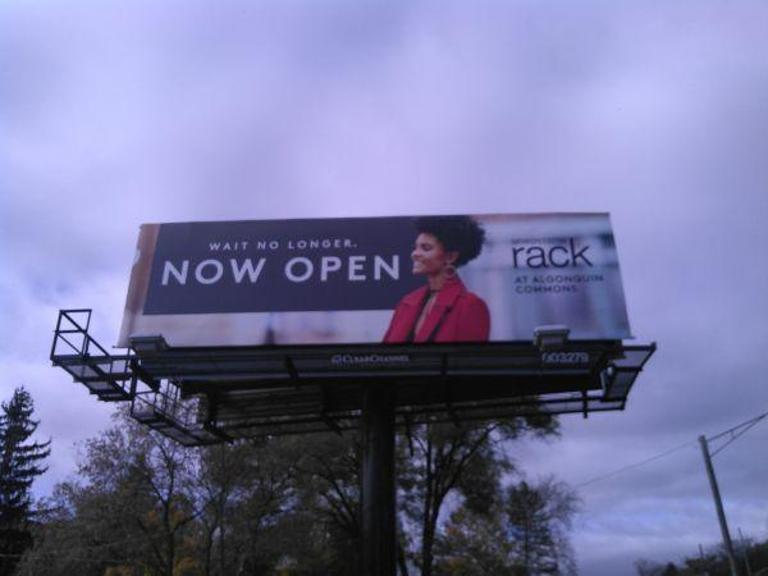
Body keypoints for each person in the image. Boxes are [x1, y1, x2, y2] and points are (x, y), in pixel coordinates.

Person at [384, 216, 490, 343]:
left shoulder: (470, 306)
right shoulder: (407, 303)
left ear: (450, 257)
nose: (415, 254)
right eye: (416, 247)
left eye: (426, 248)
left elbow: (468, 360)